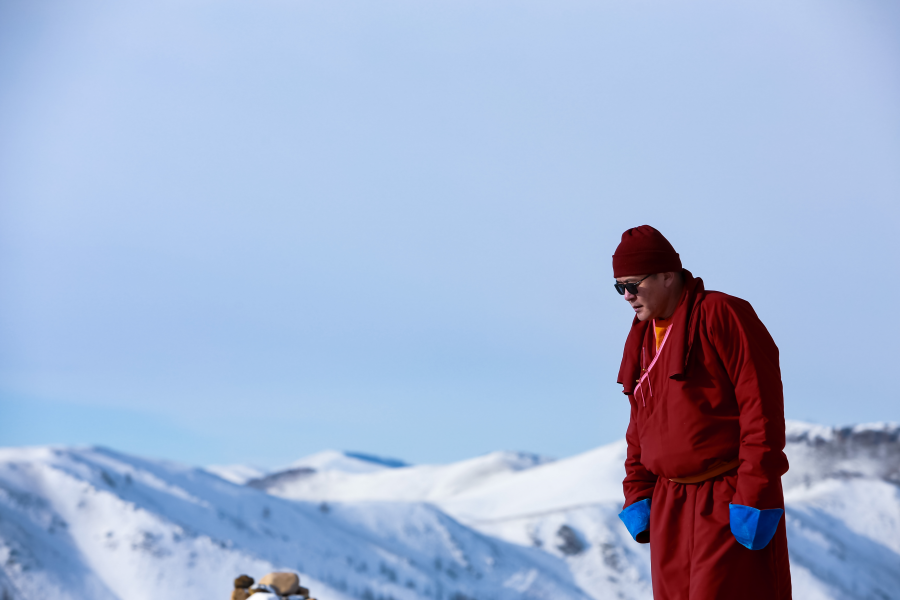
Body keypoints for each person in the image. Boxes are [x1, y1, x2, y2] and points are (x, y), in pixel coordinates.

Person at [612, 225, 792, 600]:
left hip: (725, 495)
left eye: (633, 285)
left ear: (667, 275)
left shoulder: (722, 314)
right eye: (619, 287)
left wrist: (754, 494)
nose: (627, 296)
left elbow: (761, 409)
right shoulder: (642, 336)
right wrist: (638, 490)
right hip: (670, 503)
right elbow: (640, 423)